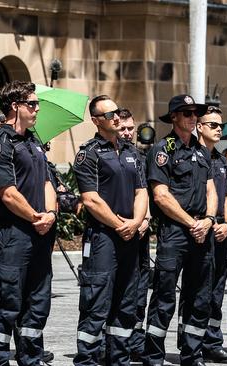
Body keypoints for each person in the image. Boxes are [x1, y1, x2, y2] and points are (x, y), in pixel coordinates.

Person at [0, 81, 57, 366]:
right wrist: (36, 217)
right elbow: (8, 193)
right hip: (12, 235)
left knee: (37, 303)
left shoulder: (33, 143)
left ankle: (31, 359)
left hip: (39, 234)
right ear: (15, 106)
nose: (37, 109)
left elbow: (48, 181)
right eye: (32, 104)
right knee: (5, 303)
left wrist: (49, 213)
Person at [142, 94, 217, 366]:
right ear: (173, 117)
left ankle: (192, 354)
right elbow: (160, 196)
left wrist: (208, 219)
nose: (193, 118)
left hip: (201, 230)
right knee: (164, 297)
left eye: (195, 113)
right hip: (175, 232)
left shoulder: (201, 150)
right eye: (187, 113)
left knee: (199, 297)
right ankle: (153, 356)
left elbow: (211, 189)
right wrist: (191, 223)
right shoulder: (163, 150)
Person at [72, 97, 147, 365]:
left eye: (118, 112)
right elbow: (90, 199)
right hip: (103, 236)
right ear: (97, 121)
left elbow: (141, 191)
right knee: (96, 302)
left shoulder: (131, 152)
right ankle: (88, 360)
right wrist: (120, 225)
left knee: (127, 303)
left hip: (130, 236)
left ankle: (119, 359)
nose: (117, 117)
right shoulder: (88, 152)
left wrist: (136, 222)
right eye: (110, 114)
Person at [193, 106, 227, 364]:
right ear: (199, 127)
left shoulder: (222, 160)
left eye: (220, 125)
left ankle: (212, 342)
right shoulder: (192, 156)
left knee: (216, 291)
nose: (219, 129)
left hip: (222, 232)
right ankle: (192, 343)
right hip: (200, 230)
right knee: (197, 292)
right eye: (213, 125)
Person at [118, 108, 152, 360]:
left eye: (131, 128)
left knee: (139, 291)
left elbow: (145, 191)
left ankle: (136, 342)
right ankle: (112, 345)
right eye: (123, 129)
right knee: (115, 291)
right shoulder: (105, 155)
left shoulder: (139, 157)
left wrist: (145, 219)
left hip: (140, 232)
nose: (128, 133)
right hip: (118, 231)